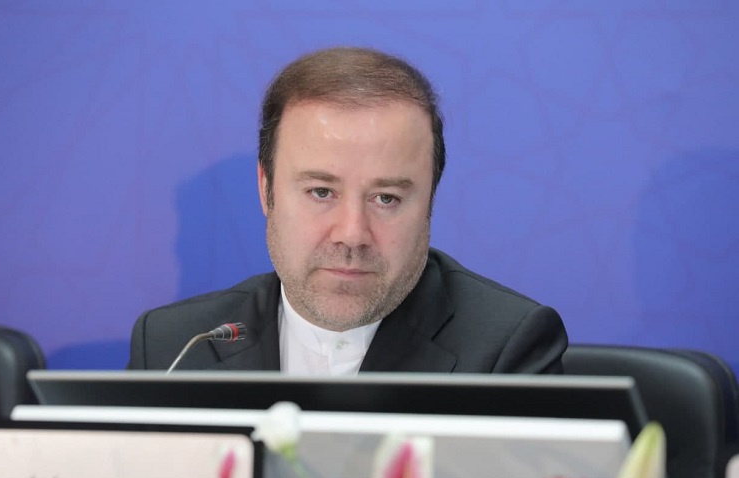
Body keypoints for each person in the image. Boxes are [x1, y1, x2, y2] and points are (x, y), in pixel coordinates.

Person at [128, 46, 567, 374]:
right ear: (266, 189)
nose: (352, 234)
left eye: (386, 198)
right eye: (321, 192)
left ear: (430, 200)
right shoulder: (173, 347)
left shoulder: (506, 351)